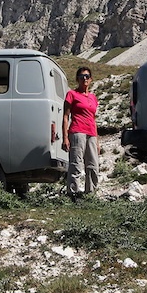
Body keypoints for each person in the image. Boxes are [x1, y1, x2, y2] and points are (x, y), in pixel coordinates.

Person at [62, 66, 99, 199]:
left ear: (91, 79)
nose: (85, 79)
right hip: (77, 131)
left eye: (87, 76)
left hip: (91, 134)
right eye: (82, 76)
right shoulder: (72, 94)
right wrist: (65, 137)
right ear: (77, 79)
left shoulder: (93, 98)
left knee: (93, 165)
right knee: (76, 164)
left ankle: (91, 195)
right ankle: (73, 194)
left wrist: (97, 141)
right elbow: (66, 116)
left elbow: (93, 120)